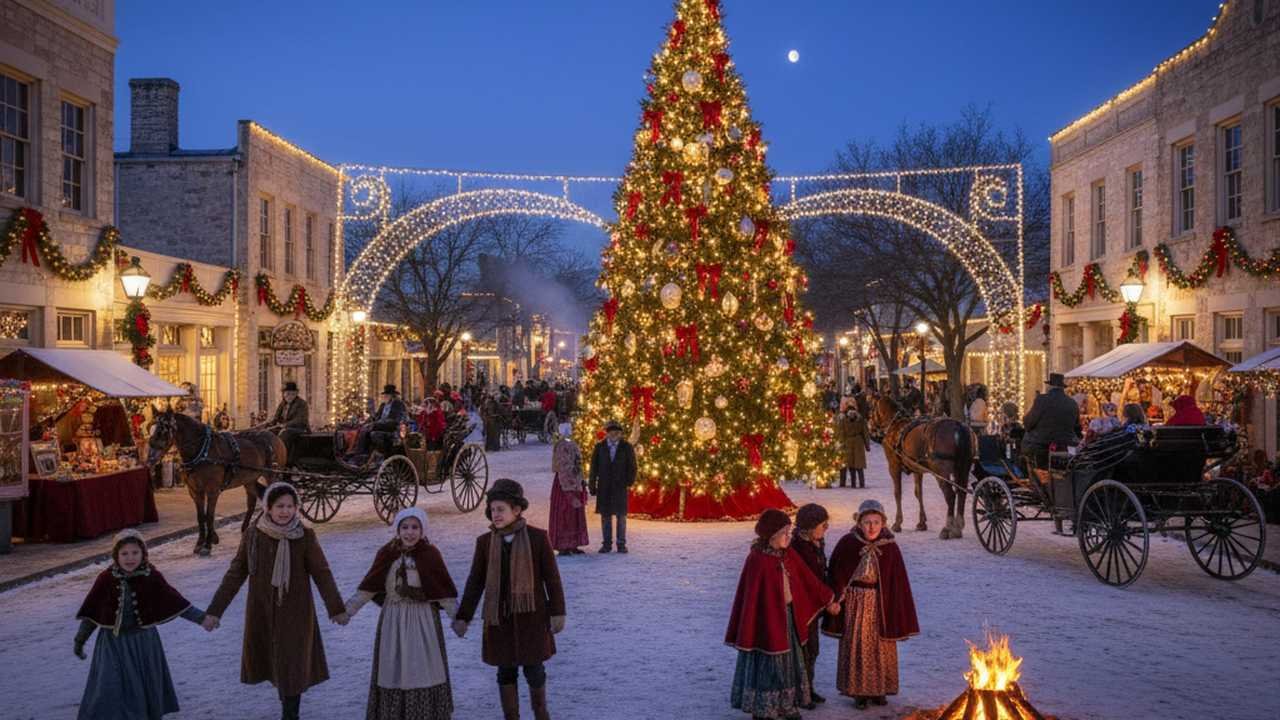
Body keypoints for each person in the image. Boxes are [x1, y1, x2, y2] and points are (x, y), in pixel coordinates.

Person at [205, 482, 349, 720]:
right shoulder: (253, 535)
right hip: (262, 609)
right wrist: (215, 611)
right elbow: (236, 572)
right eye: (279, 506)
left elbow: (322, 573)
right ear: (268, 508)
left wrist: (336, 608)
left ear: (296, 508)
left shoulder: (304, 536)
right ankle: (287, 702)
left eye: (290, 506)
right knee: (274, 662)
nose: (285, 511)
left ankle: (290, 714)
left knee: (292, 663)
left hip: (296, 613)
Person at [454, 479, 566, 720]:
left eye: (501, 509)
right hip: (500, 620)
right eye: (492, 510)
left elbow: (552, 579)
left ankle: (541, 713)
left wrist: (558, 611)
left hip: (532, 619)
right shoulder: (485, 543)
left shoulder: (537, 538)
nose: (496, 514)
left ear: (516, 509)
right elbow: (475, 582)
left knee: (535, 670)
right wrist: (464, 616)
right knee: (505, 672)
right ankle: (511, 716)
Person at [74, 530, 214, 720]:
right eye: (124, 553)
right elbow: (92, 613)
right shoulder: (106, 580)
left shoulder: (151, 577)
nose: (130, 558)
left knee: (142, 685)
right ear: (116, 556)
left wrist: (202, 619)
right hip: (112, 645)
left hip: (144, 643)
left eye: (135, 553)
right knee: (110, 686)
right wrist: (80, 640)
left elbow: (175, 602)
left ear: (143, 554)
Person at [346, 507, 458, 720]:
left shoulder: (430, 554)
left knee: (424, 667)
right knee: (392, 667)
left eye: (415, 527)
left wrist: (458, 618)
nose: (410, 532)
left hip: (423, 620)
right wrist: (348, 611)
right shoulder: (387, 553)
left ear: (423, 529)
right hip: (393, 621)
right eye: (405, 527)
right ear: (397, 529)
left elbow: (444, 592)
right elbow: (369, 587)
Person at [725, 508, 837, 720]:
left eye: (789, 531)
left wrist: (828, 597)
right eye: (784, 532)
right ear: (771, 535)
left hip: (787, 618)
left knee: (790, 663)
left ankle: (787, 705)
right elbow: (750, 597)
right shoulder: (757, 560)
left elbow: (807, 579)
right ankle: (764, 708)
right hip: (765, 623)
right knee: (769, 665)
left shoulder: (789, 554)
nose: (788, 536)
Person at [825, 500, 919, 710]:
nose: (871, 527)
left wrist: (896, 609)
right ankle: (859, 690)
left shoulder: (891, 547)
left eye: (876, 522)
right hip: (856, 603)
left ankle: (879, 689)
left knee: (881, 646)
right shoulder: (848, 543)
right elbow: (837, 573)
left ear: (883, 523)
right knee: (858, 645)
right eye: (867, 522)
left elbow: (898, 582)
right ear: (859, 522)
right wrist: (836, 598)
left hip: (881, 603)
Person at [791, 504, 834, 709]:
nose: (826, 527)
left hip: (814, 608)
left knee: (813, 650)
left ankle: (809, 688)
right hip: (803, 608)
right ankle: (800, 693)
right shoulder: (798, 547)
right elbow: (805, 579)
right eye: (821, 524)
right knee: (804, 650)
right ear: (809, 526)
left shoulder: (816, 542)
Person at [588, 419, 637, 554]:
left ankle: (621, 543)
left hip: (620, 486)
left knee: (621, 516)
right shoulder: (600, 447)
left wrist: (629, 481)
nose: (614, 435)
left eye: (617, 432)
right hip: (604, 486)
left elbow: (632, 466)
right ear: (607, 433)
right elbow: (594, 468)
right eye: (611, 432)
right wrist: (592, 484)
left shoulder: (626, 447)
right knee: (606, 516)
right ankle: (607, 544)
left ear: (620, 434)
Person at [1021, 373, 1080, 469]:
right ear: (1062, 387)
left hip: (1041, 446)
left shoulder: (1041, 400)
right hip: (1065, 446)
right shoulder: (1072, 403)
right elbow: (1077, 427)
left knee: (1025, 443)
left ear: (1050, 386)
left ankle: (1027, 472)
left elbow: (1028, 423)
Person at [549, 430, 589, 556]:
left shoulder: (573, 443)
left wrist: (580, 479)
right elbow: (561, 465)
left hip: (575, 480)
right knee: (564, 513)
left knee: (574, 514)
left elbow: (578, 462)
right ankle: (563, 545)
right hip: (564, 483)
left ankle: (573, 543)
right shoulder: (561, 445)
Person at [268, 381, 310, 465]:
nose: (289, 396)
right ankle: (269, 455)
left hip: (299, 428)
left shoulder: (302, 404)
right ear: (284, 394)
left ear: (296, 393)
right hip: (284, 427)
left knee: (285, 433)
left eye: (291, 394)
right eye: (287, 394)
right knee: (268, 433)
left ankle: (282, 458)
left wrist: (286, 425)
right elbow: (276, 418)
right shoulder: (283, 404)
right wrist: (269, 424)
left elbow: (300, 419)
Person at [837, 407, 870, 488]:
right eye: (850, 413)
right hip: (847, 444)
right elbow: (841, 432)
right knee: (850, 465)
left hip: (858, 444)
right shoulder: (843, 421)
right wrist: (841, 443)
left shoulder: (861, 420)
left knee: (859, 466)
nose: (852, 414)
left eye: (853, 413)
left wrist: (867, 445)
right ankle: (853, 484)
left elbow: (865, 432)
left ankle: (862, 484)